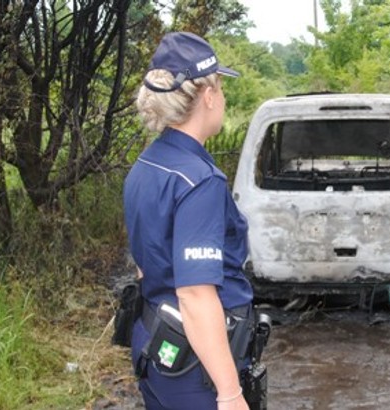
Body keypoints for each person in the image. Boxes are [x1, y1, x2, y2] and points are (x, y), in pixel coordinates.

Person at [123, 32, 255, 410]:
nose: (224, 100)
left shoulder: (148, 163)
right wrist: (229, 394)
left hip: (155, 341)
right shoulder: (200, 181)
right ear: (209, 95)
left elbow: (143, 263)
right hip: (194, 364)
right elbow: (196, 295)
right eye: (222, 89)